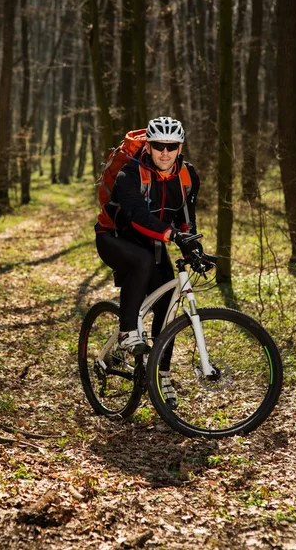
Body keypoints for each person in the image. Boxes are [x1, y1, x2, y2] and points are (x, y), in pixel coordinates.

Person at [94, 116, 201, 407]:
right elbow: (137, 217)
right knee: (141, 262)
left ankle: (161, 373)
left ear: (180, 148)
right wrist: (171, 235)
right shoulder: (130, 174)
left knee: (167, 305)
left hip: (154, 241)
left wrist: (194, 249)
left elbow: (186, 220)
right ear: (149, 146)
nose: (164, 152)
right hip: (114, 236)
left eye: (171, 146)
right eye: (158, 146)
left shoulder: (188, 176)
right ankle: (128, 330)